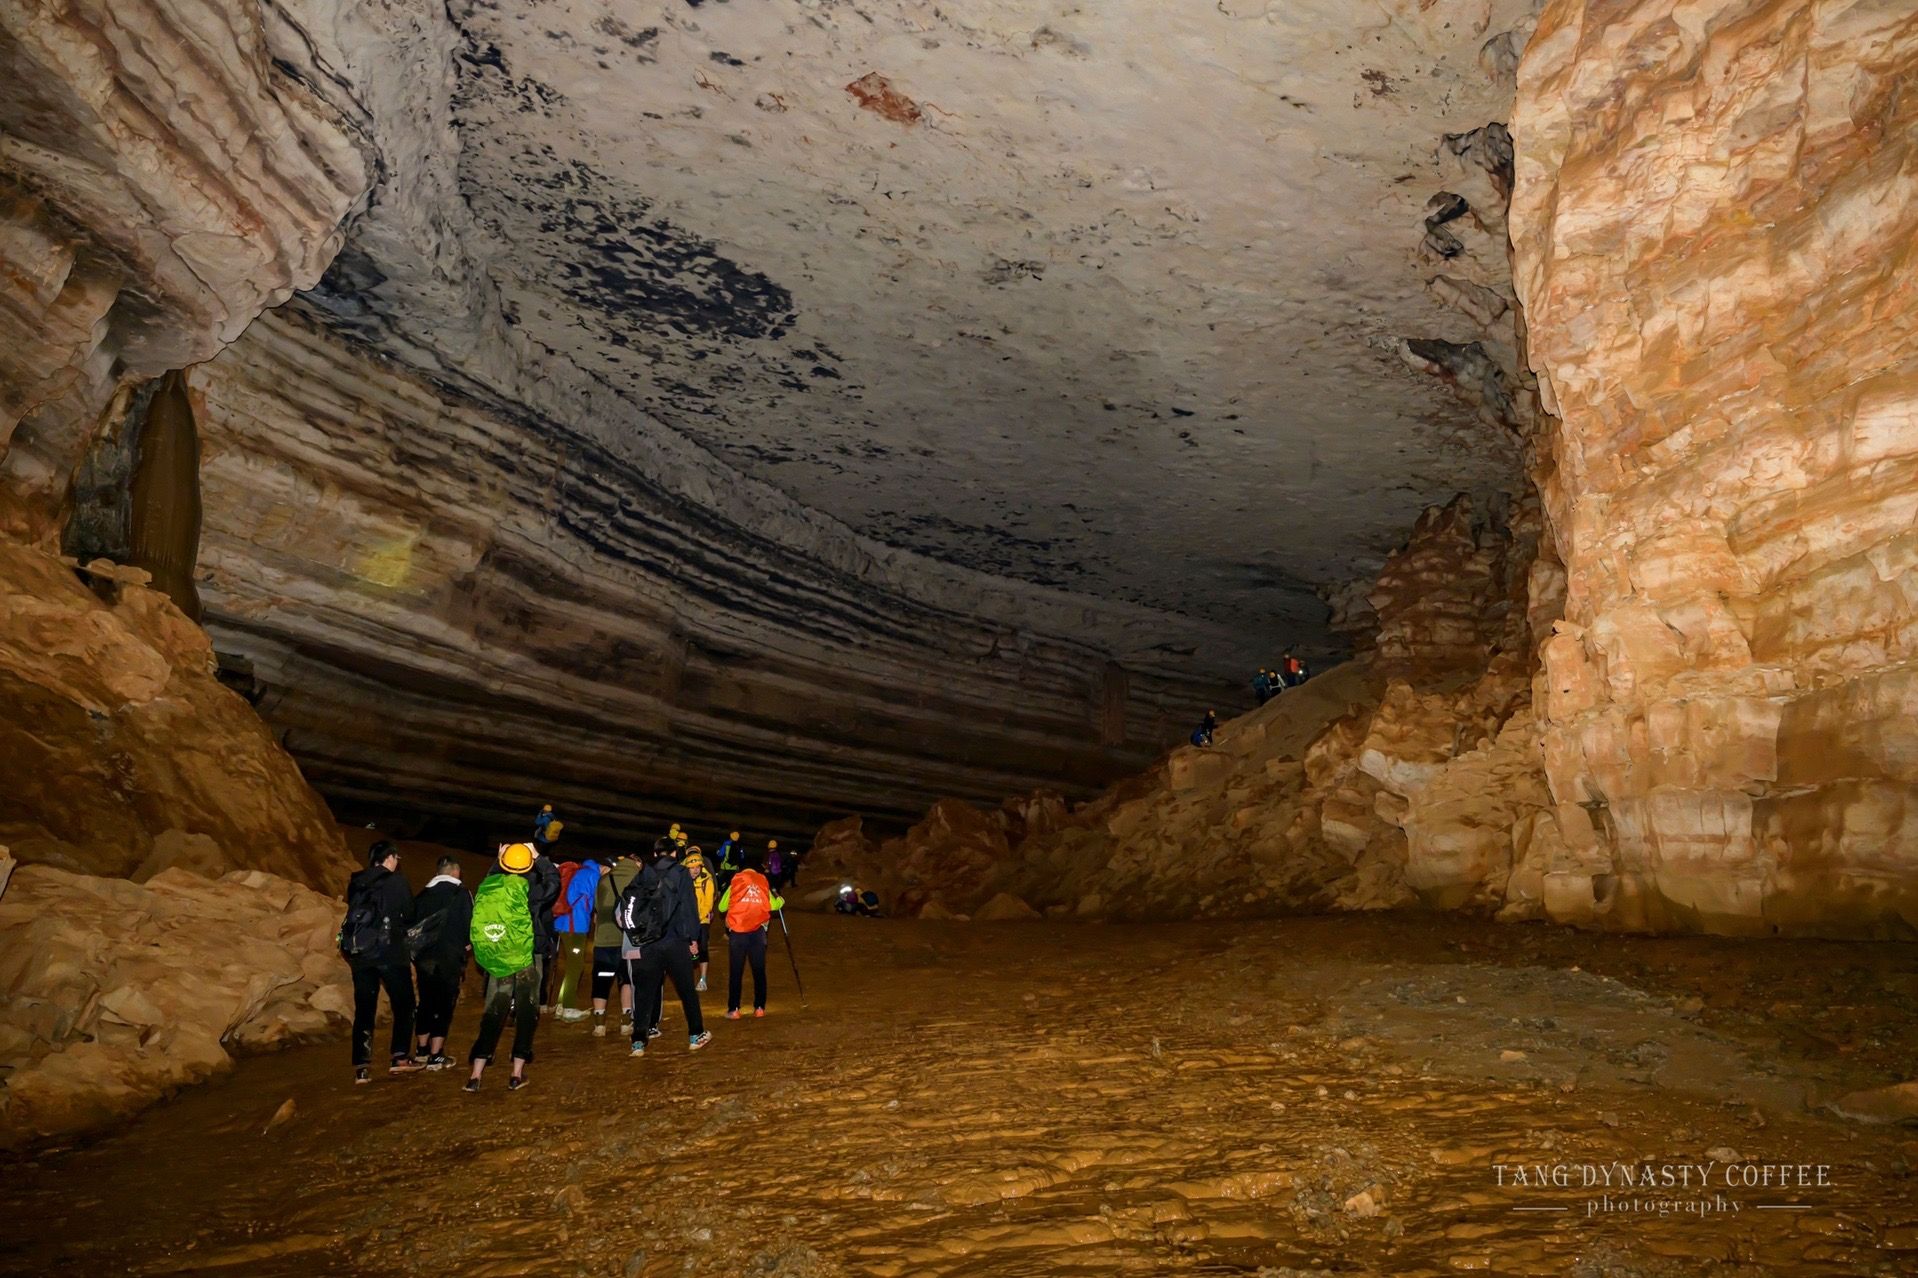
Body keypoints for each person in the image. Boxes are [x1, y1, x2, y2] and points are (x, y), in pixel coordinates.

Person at [466, 842, 544, 1093]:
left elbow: (492, 875)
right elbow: (553, 884)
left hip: (498, 960)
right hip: (523, 961)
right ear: (529, 864)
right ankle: (516, 1074)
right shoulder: (530, 887)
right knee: (526, 1015)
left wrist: (498, 858)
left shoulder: (488, 886)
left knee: (492, 1016)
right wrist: (538, 857)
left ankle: (475, 1075)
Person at [341, 841, 421, 1084]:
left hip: (361, 954)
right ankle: (399, 1058)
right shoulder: (396, 881)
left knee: (364, 1008)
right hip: (389, 953)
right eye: (396, 859)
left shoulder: (357, 881)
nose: (397, 863)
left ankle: (362, 1067)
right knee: (404, 1005)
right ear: (390, 858)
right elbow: (409, 914)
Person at [623, 837, 712, 1057]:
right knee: (687, 991)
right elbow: (690, 909)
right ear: (674, 853)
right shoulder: (681, 874)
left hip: (648, 942)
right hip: (675, 942)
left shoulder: (644, 873)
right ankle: (696, 1035)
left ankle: (638, 1041)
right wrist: (694, 939)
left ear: (655, 854)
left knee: (644, 992)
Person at [411, 856, 472, 1069]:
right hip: (449, 957)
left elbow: (412, 924)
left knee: (426, 1001)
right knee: (444, 1004)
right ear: (455, 872)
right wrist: (466, 944)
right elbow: (469, 926)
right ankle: (436, 1054)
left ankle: (421, 1049)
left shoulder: (422, 895)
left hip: (425, 958)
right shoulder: (462, 894)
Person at [718, 848, 783, 1018]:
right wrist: (780, 899)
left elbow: (721, 907)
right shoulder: (762, 881)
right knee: (759, 970)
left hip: (738, 933)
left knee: (736, 971)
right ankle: (759, 1008)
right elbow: (773, 905)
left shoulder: (736, 881)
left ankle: (734, 1010)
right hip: (758, 932)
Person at [589, 848, 643, 1038]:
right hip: (626, 940)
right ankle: (626, 1022)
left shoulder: (604, 880)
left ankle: (599, 1024)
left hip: (604, 939)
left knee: (601, 979)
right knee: (625, 980)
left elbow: (596, 908)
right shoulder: (637, 880)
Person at [552, 856, 601, 1020]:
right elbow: (596, 900)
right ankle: (568, 1007)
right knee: (576, 966)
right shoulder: (592, 875)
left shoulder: (578, 872)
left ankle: (561, 1005)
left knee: (571, 966)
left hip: (564, 922)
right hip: (575, 925)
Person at [681, 844, 718, 992]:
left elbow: (708, 903)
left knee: (702, 949)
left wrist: (696, 919)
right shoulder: (682, 880)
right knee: (685, 950)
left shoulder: (706, 880)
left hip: (701, 921)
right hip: (686, 921)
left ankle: (702, 979)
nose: (695, 869)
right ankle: (687, 979)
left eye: (698, 866)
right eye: (692, 867)